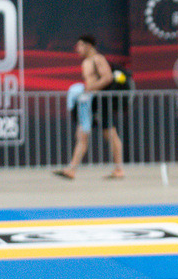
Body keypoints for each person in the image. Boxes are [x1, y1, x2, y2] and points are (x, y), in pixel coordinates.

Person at [54, 35, 126, 180]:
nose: (77, 49)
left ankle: (119, 169)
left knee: (110, 134)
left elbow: (107, 78)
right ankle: (71, 169)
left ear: (88, 46)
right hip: (89, 102)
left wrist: (89, 89)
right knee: (82, 134)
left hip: (100, 102)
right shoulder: (86, 62)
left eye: (80, 46)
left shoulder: (97, 59)